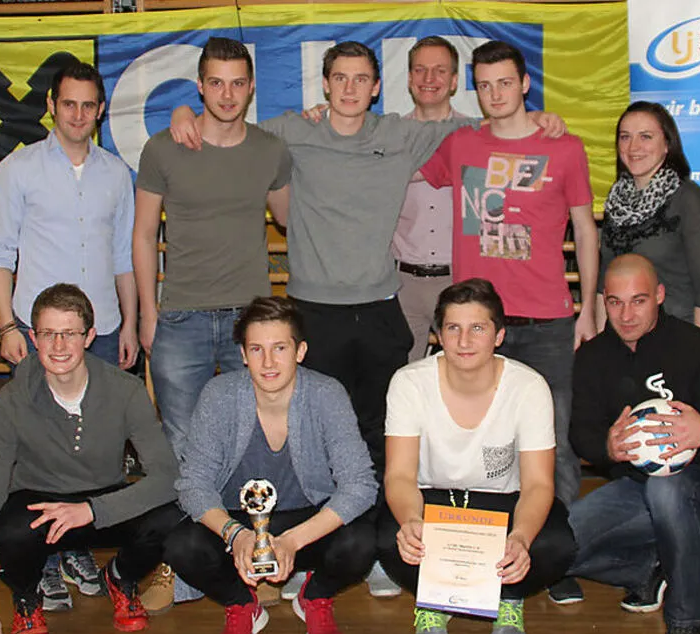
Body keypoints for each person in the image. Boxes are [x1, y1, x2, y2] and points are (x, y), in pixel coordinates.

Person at [170, 40, 566, 599]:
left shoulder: (401, 134)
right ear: (325, 86)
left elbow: (495, 120)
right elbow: (228, 122)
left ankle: (382, 547)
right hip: (314, 309)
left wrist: (543, 117)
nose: (351, 88)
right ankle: (298, 547)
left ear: (377, 88)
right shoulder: (292, 131)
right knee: (316, 436)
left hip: (380, 306)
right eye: (340, 78)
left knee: (383, 436)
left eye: (362, 79)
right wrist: (182, 112)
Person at [415, 40, 597, 604]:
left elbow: (586, 231)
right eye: (484, 84)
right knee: (474, 445)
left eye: (504, 83)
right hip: (474, 327)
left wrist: (588, 306)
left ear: (525, 85)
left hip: (546, 320)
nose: (495, 94)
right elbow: (405, 166)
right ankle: (470, 558)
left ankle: (553, 559)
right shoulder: (461, 144)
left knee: (554, 443)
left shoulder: (563, 148)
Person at [133, 36, 293, 611]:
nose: (227, 94)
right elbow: (142, 236)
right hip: (179, 319)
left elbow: (292, 215)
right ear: (199, 87)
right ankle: (182, 567)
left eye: (238, 82)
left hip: (250, 325)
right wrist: (148, 314)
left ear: (252, 87)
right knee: (184, 454)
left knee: (255, 448)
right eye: (216, 83)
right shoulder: (164, 148)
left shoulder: (272, 150)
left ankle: (261, 563)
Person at [0, 284, 183, 634]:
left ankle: (120, 576)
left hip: (102, 505)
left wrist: (92, 510)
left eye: (71, 333)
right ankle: (27, 596)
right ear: (34, 337)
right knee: (7, 528)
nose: (59, 346)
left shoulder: (125, 391)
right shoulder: (12, 401)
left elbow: (166, 476)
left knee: (172, 516)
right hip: (40, 505)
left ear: (90, 336)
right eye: (48, 333)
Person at [0, 61, 139, 607]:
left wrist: (130, 323)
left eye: (88, 105)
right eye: (68, 103)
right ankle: (44, 554)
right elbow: (0, 254)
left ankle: (76, 542)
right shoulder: (17, 169)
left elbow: (123, 257)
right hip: (35, 331)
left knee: (96, 448)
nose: (78, 114)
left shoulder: (117, 174)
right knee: (40, 449)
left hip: (101, 332)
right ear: (51, 106)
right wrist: (7, 325)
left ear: (100, 111)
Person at [164, 296, 378, 634]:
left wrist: (293, 541)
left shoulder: (326, 394)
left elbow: (360, 484)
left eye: (279, 348)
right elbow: (193, 484)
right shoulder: (220, 395)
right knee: (180, 546)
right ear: (243, 354)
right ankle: (242, 604)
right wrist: (238, 535)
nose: (268, 362)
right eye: (256, 349)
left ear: (300, 351)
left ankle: (315, 596)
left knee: (363, 540)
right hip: (239, 520)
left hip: (305, 520)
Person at [378, 278, 576, 634]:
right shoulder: (408, 383)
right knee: (391, 538)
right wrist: (411, 522)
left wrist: (519, 538)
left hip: (500, 503)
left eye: (477, 328)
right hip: (432, 500)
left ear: (499, 336)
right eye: (453, 328)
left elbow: (537, 485)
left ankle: (509, 598)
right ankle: (432, 604)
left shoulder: (529, 387)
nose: (464, 341)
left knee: (555, 543)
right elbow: (400, 476)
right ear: (438, 335)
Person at [567, 255, 700, 634]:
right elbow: (582, 433)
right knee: (553, 546)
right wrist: (606, 447)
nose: (626, 315)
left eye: (639, 301)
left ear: (661, 296)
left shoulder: (698, 346)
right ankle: (646, 572)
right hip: (634, 490)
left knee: (668, 486)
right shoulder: (593, 357)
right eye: (614, 302)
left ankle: (688, 624)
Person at [598, 101, 700, 333]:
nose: (633, 147)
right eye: (625, 137)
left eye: (646, 136)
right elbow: (604, 282)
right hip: (622, 338)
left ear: (667, 144)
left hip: (677, 336)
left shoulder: (689, 198)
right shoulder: (616, 200)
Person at [392, 36, 473, 361]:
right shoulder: (388, 134)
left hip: (460, 279)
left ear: (454, 81)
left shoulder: (477, 134)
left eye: (439, 71)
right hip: (401, 285)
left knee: (464, 376)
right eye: (421, 70)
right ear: (409, 79)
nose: (429, 79)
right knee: (401, 382)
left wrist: (543, 118)